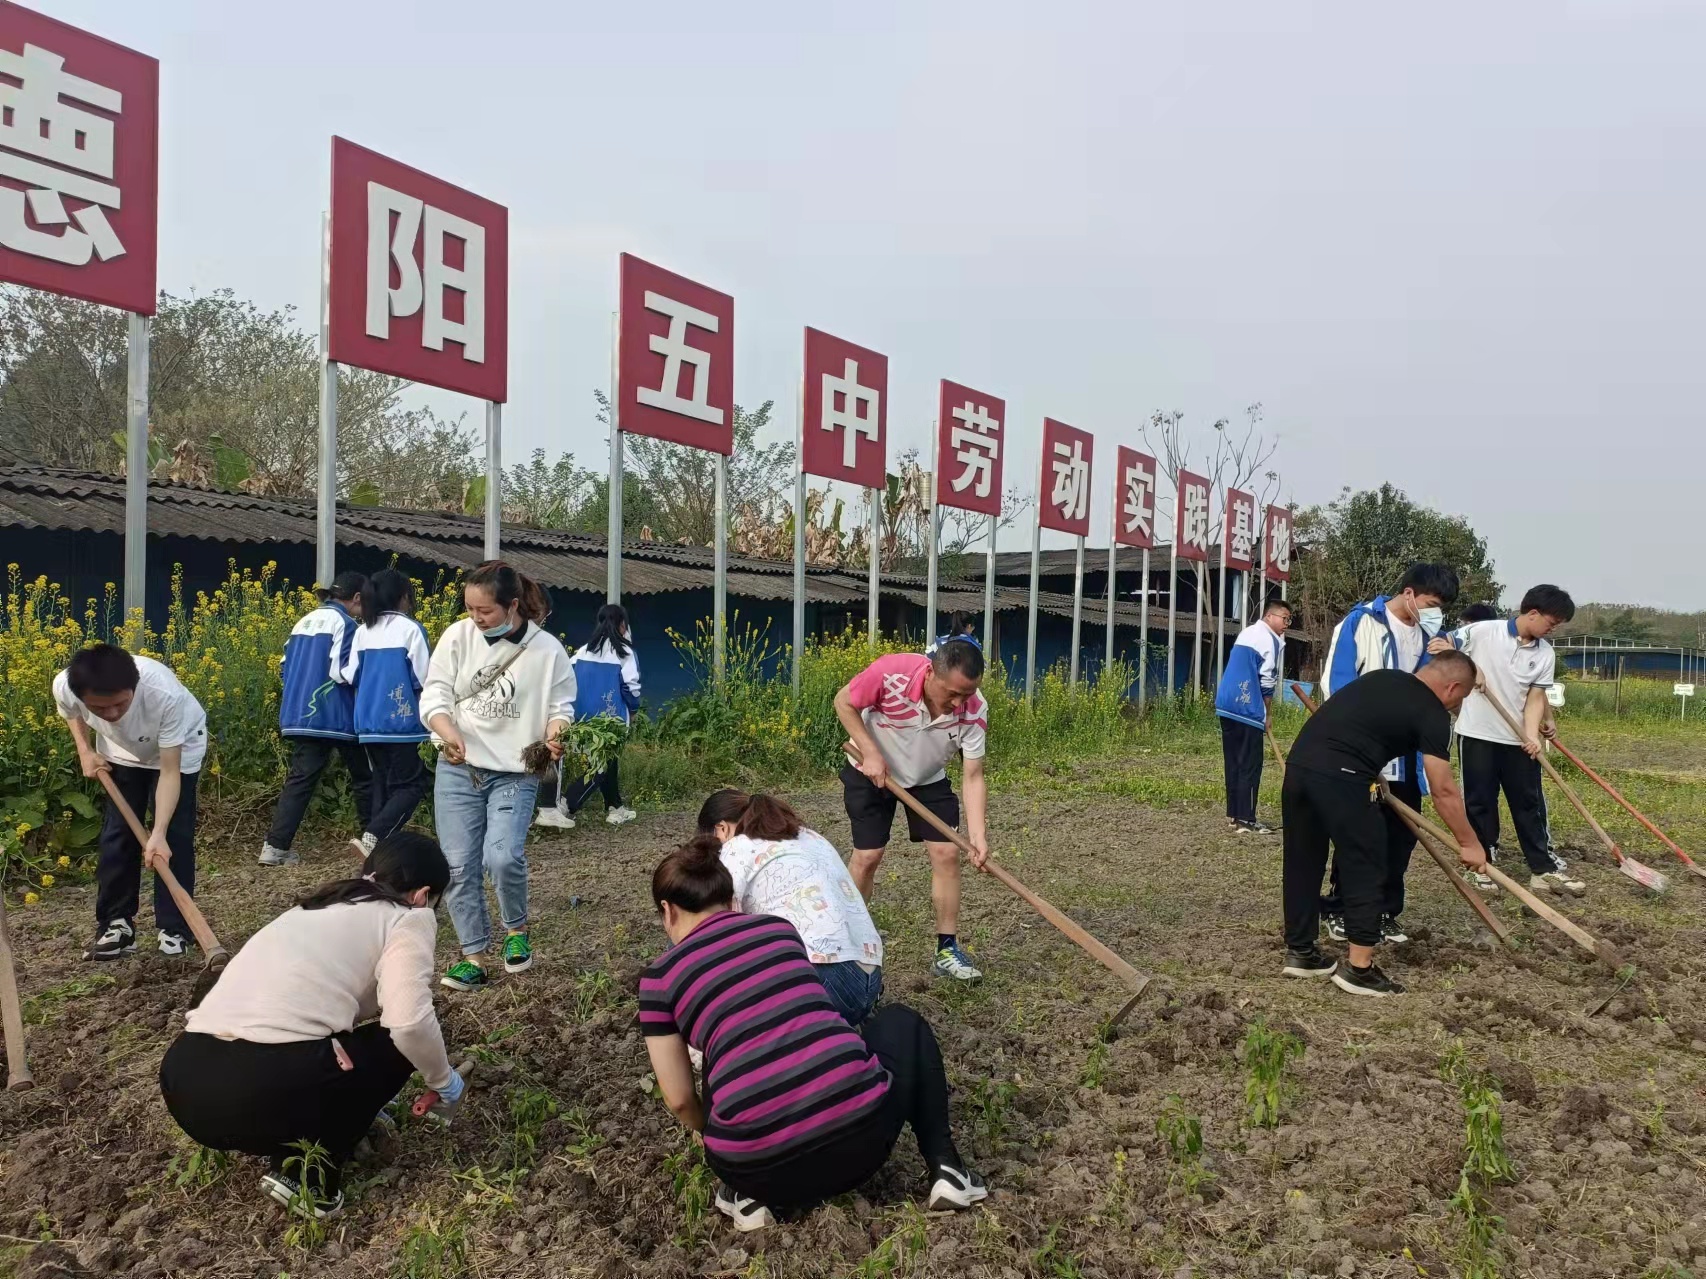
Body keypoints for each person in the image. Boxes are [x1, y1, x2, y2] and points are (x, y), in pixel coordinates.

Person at [639, 837, 987, 1232]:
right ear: (729, 895)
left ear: (667, 911)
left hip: (757, 1171)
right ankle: (948, 1170)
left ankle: (749, 1197)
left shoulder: (658, 979)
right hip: (865, 1144)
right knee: (900, 1021)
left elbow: (681, 1099)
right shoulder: (779, 930)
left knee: (728, 1054)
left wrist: (719, 1136)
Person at [159, 833, 463, 1219]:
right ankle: (308, 1175)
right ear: (422, 895)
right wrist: (443, 1080)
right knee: (394, 1044)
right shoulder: (409, 917)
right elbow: (409, 1021)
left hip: (184, 1080)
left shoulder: (316, 906)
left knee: (339, 1043)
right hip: (257, 1089)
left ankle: (297, 1133)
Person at [1280, 652, 1488, 997]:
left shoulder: (1383, 678)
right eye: (1461, 698)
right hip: (1343, 776)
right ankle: (1359, 969)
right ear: (1452, 687)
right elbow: (1444, 790)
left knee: (1303, 860)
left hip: (1300, 768)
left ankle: (1301, 952)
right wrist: (1469, 843)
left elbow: (1358, 727)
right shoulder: (1433, 712)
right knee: (1367, 862)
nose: (1456, 706)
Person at [419, 561, 576, 993]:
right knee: (457, 866)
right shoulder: (457, 637)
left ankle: (516, 931)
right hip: (458, 769)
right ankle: (473, 956)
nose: (475, 618)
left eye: (484, 611)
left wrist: (555, 734)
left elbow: (561, 707)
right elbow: (435, 693)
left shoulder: (548, 651)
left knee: (502, 855)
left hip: (515, 771)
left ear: (511, 605)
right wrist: (447, 732)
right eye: (469, 609)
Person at [1317, 563, 1461, 944]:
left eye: (1441, 608)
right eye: (1431, 603)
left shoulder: (1437, 639)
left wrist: (1448, 656)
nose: (1435, 613)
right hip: (1363, 757)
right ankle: (1341, 910)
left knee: (1401, 838)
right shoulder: (1362, 623)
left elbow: (1448, 695)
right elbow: (1337, 684)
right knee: (1359, 836)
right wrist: (1357, 745)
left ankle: (1384, 911)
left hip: (1409, 760)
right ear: (1409, 594)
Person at [834, 639, 989, 982]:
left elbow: (973, 775)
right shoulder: (891, 672)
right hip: (871, 770)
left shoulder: (974, 708)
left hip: (926, 777)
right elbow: (843, 701)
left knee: (948, 852)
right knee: (868, 856)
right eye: (952, 693)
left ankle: (946, 950)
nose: (959, 703)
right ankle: (846, 942)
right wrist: (871, 753)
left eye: (968, 694)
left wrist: (977, 836)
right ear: (931, 672)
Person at [56, 644, 208, 960]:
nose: (111, 714)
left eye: (120, 704)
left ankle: (175, 929)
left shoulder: (163, 695)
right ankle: (116, 924)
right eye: (99, 709)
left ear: (134, 688)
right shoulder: (66, 685)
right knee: (118, 834)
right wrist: (85, 751)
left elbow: (169, 772)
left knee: (173, 839)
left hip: (178, 749)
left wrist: (159, 832)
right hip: (120, 751)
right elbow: (71, 713)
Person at [1431, 585, 1584, 896]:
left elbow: (1535, 698)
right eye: (1550, 623)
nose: (1551, 630)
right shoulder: (1484, 631)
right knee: (1480, 801)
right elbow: (1445, 643)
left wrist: (1531, 737)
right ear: (1532, 613)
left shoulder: (1544, 653)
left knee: (1529, 803)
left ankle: (1542, 868)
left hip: (1516, 740)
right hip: (1477, 734)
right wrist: (1470, 668)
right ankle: (1482, 865)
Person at [697, 789, 884, 1025]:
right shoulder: (809, 836)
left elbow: (722, 930)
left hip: (824, 979)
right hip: (870, 978)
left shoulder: (736, 848)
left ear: (721, 829)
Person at [261, 571, 373, 867]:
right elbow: (342, 671)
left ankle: (275, 847)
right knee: (364, 776)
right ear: (357, 598)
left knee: (300, 779)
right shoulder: (346, 624)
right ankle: (373, 842)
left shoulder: (303, 621)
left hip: (299, 713)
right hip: (335, 714)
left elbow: (284, 667)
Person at [344, 569, 432, 860]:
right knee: (411, 785)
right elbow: (424, 677)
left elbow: (348, 674)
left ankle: (378, 849)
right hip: (404, 723)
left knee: (382, 783)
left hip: (368, 724)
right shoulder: (410, 629)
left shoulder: (362, 631)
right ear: (403, 597)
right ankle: (375, 835)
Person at [536, 603, 641, 831]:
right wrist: (633, 711)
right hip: (610, 719)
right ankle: (567, 804)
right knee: (600, 766)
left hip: (581, 715)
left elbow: (568, 679)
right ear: (623, 625)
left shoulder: (583, 650)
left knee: (607, 760)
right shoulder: (625, 653)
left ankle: (616, 808)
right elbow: (631, 688)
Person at [1213, 599, 1291, 835]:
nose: (1286, 624)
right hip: (1247, 708)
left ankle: (1234, 815)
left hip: (1226, 704)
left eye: (1289, 619)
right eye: (1284, 618)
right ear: (1270, 616)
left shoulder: (1247, 633)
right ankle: (1247, 819)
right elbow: (1266, 680)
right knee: (1250, 764)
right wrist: (1267, 713)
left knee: (1234, 762)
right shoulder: (1270, 640)